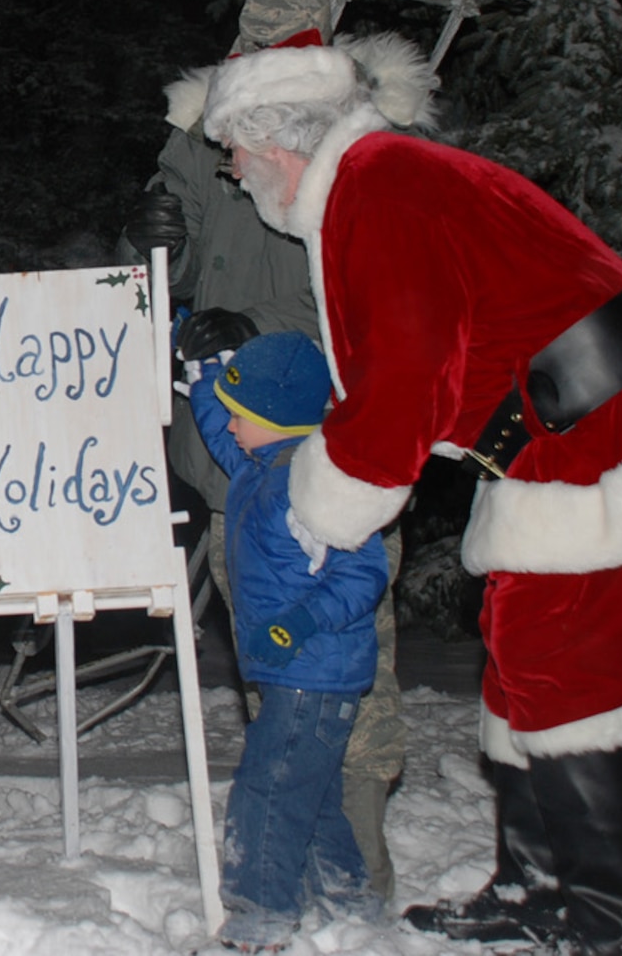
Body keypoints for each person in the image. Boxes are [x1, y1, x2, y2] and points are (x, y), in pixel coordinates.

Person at [200, 39, 622, 956]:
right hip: (556, 436)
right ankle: (537, 881)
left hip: (609, 430)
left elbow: (402, 380)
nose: (232, 173)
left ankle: (618, 918)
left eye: (232, 149)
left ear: (274, 140)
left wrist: (323, 508)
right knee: (522, 652)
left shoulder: (378, 194)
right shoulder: (371, 184)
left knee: (567, 661)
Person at [119, 0, 432, 899]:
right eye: (250, 45)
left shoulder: (370, 148)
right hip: (229, 463)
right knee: (273, 680)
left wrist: (251, 323)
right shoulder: (201, 130)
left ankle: (358, 880)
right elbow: (162, 273)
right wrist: (146, 238)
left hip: (336, 458)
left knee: (347, 683)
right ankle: (300, 877)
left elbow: (371, 303)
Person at [187, 330, 388, 953]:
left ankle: (258, 919)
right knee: (315, 793)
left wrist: (296, 624)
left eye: (240, 413)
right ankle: (350, 904)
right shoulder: (259, 464)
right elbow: (221, 430)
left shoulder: (313, 485)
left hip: (314, 672)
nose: (230, 425)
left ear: (271, 418)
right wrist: (200, 378)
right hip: (297, 675)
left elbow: (363, 573)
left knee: (268, 791)